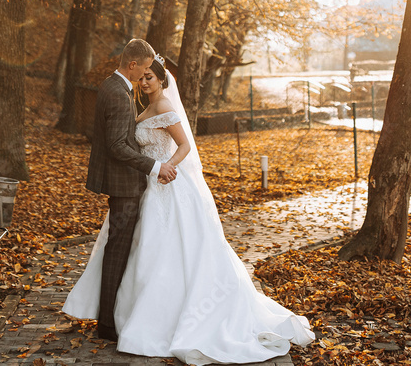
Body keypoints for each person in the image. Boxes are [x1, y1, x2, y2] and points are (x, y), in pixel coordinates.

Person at [64, 55, 315, 364]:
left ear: (162, 80)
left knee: (171, 250)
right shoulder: (144, 108)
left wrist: (165, 167)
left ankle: (170, 318)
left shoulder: (166, 108)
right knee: (146, 251)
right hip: (149, 187)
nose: (144, 82)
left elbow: (184, 147)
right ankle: (131, 314)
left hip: (169, 187)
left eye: (150, 78)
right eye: (142, 77)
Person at [77, 38, 177, 341]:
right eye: (144, 69)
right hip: (124, 184)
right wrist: (155, 166)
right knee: (117, 250)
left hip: (123, 181)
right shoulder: (120, 94)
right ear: (132, 64)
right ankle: (107, 322)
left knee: (119, 248)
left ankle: (111, 314)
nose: (145, 75)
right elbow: (117, 145)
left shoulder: (111, 85)